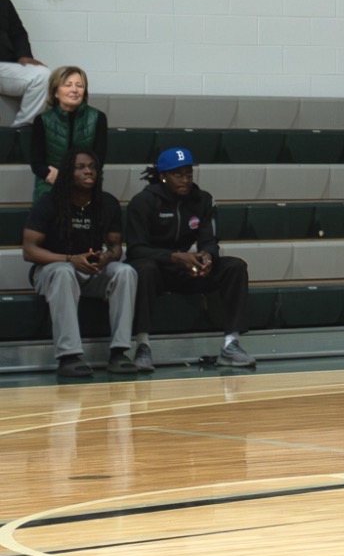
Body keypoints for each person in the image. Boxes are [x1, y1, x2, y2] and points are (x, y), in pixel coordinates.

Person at [124, 147, 255, 371]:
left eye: (188, 173)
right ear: (163, 176)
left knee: (235, 266)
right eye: (178, 174)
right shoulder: (143, 202)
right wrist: (174, 257)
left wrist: (207, 258)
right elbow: (136, 249)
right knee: (144, 269)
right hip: (157, 267)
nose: (185, 179)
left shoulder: (202, 200)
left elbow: (210, 240)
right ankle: (142, 346)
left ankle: (231, 344)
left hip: (186, 267)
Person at [23, 149, 138, 377]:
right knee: (65, 272)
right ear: (67, 172)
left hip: (91, 270)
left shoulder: (107, 203)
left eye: (92, 167)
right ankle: (69, 356)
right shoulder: (49, 203)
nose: (88, 171)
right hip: (52, 270)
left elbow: (116, 247)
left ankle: (119, 352)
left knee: (126, 272)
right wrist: (69, 259)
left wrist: (106, 257)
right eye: (81, 167)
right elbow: (29, 250)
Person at [29, 67, 108, 200]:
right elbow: (37, 164)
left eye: (79, 86)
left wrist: (73, 179)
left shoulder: (98, 118)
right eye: (68, 85)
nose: (74, 90)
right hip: (50, 184)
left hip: (85, 184)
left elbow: (98, 160)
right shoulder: (42, 120)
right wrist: (57, 178)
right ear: (55, 92)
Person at [0, 0, 50, 128]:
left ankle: (20, 131)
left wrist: (24, 55)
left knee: (43, 76)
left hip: (4, 66)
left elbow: (18, 32)